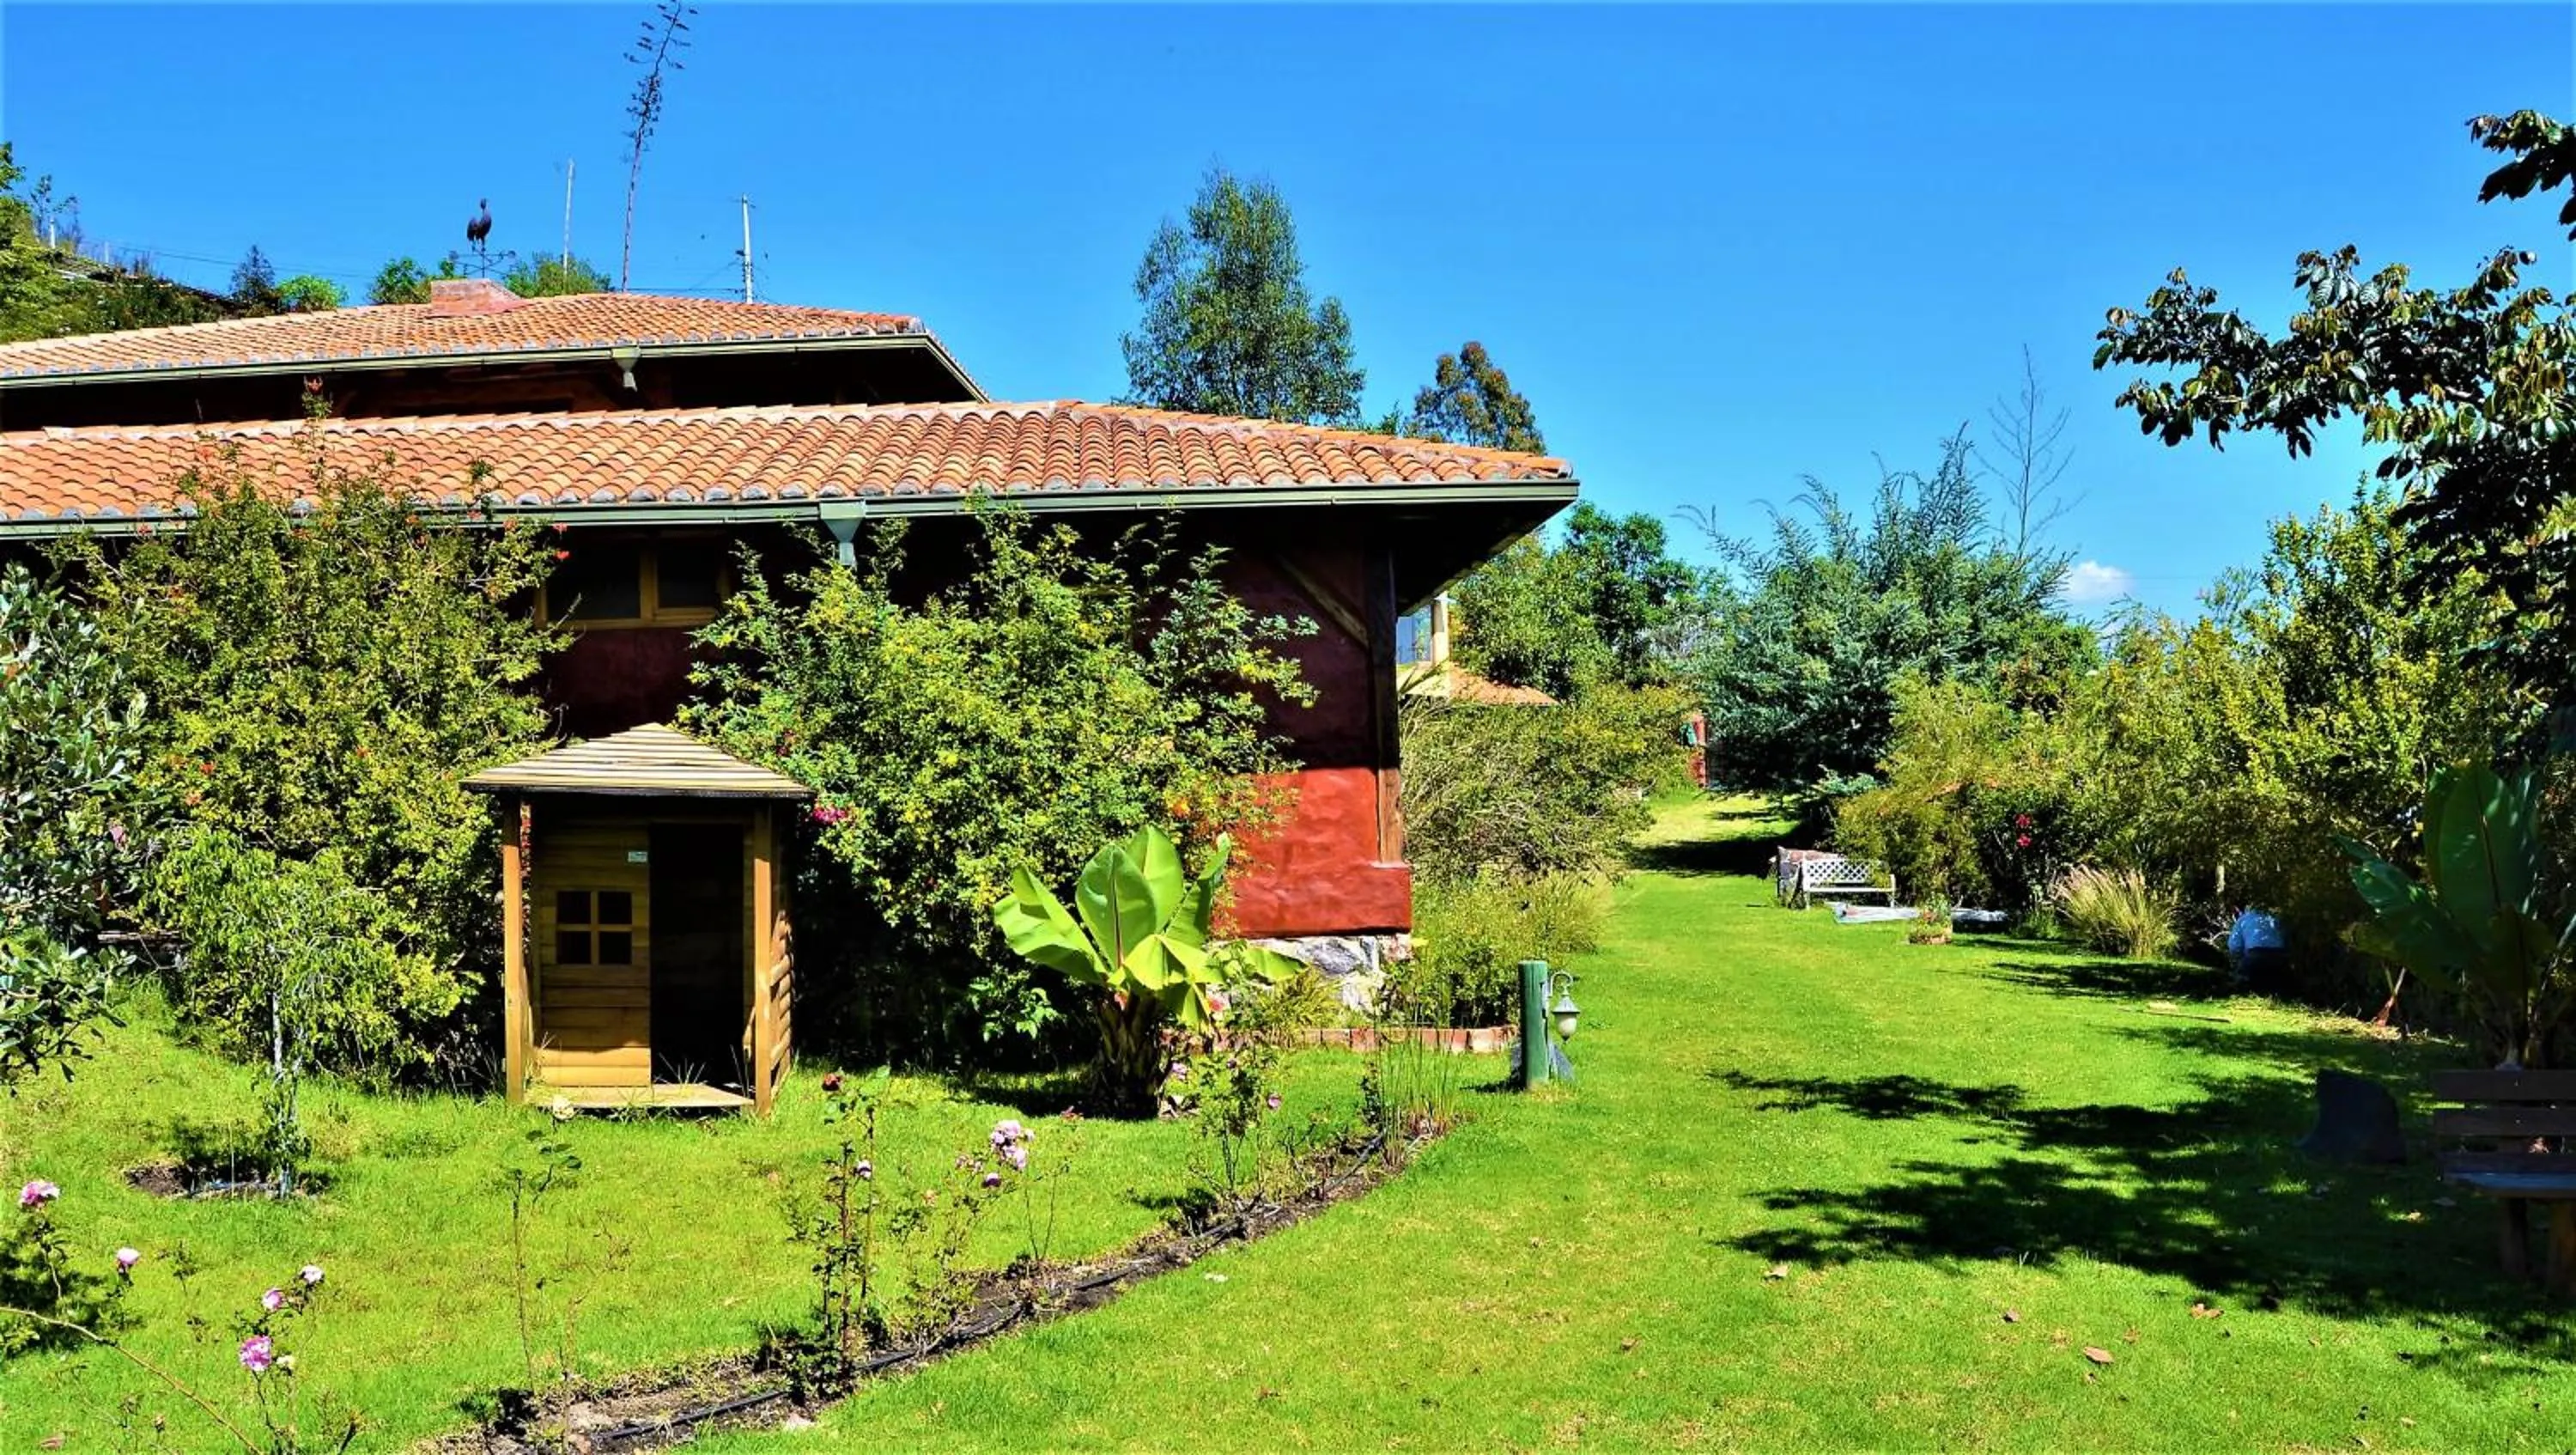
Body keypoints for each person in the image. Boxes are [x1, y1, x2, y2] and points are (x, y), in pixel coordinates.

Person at [2227, 907, 2287, 994]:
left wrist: (2239, 959)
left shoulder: (2244, 919)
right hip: (2279, 957)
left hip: (2255, 957)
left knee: (2244, 973)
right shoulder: (2274, 918)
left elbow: (2234, 946)